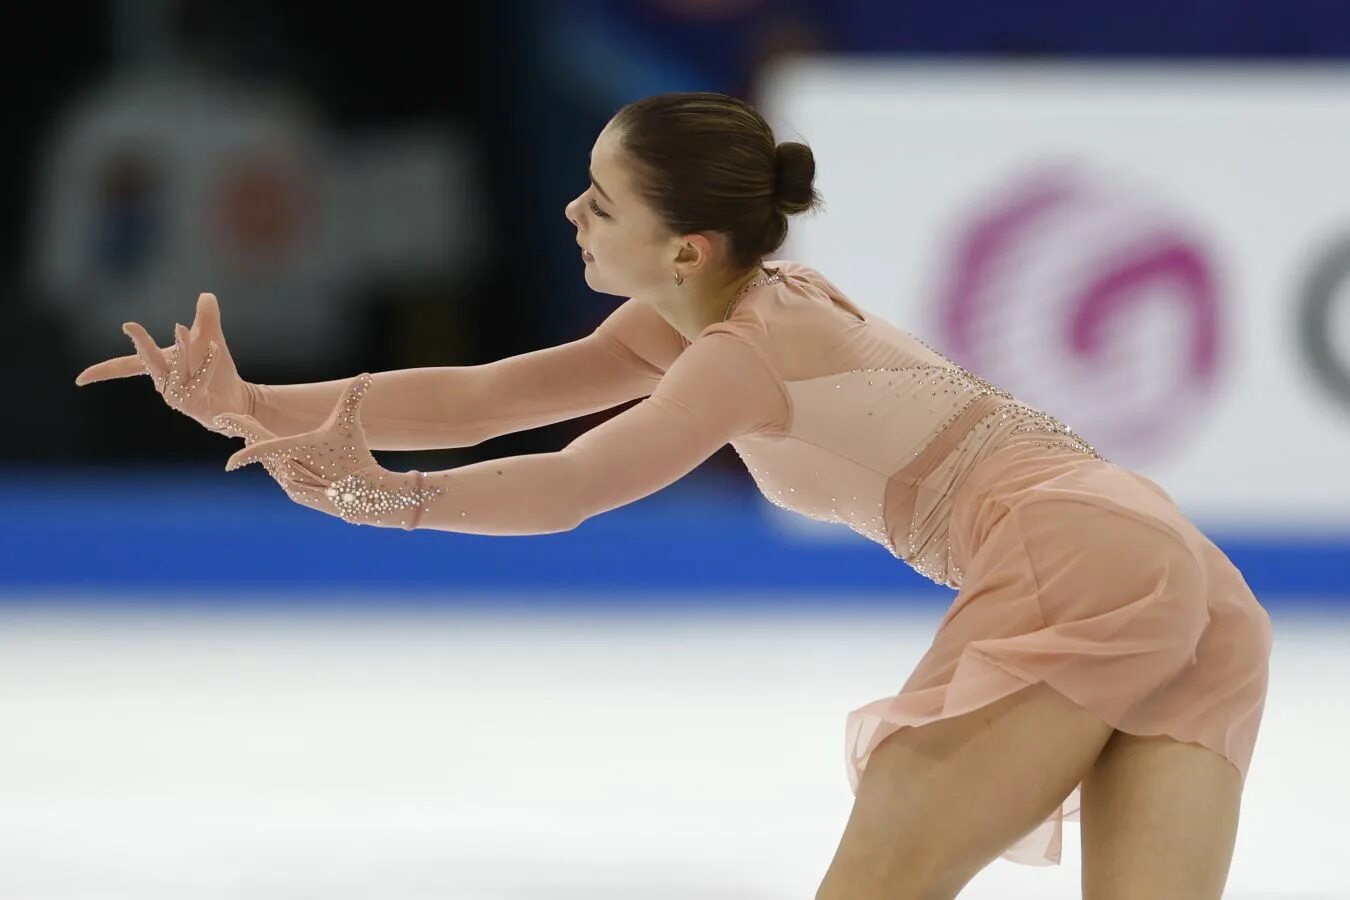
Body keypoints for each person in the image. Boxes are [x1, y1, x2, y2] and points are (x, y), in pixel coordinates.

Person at [75, 91, 1273, 899]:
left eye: (601, 204)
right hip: (1175, 568)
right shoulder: (724, 315)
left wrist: (386, 502)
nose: (572, 213)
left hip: (1081, 553)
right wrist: (246, 402)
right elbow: (484, 399)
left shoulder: (742, 354)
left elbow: (571, 484)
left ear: (686, 247)